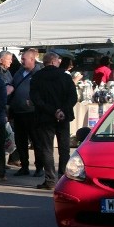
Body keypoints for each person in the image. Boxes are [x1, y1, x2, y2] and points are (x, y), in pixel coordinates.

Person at [29, 52, 78, 189]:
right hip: (63, 117)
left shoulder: (37, 77)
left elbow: (36, 98)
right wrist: (61, 110)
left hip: (45, 117)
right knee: (64, 148)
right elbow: (72, 97)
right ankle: (63, 177)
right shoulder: (64, 76)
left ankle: (50, 179)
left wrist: (52, 110)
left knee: (47, 149)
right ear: (54, 61)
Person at [8, 48, 44, 177]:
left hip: (33, 113)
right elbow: (12, 83)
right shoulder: (20, 72)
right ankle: (24, 166)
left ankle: (39, 167)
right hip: (18, 112)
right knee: (20, 141)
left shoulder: (39, 73)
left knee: (36, 141)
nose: (22, 61)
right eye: (22, 59)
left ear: (32, 59)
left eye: (24, 59)